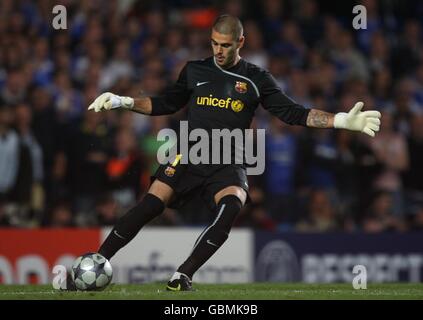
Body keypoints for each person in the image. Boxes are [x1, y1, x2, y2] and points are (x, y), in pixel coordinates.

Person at [68, 15, 381, 291]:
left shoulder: (257, 79)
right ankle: (98, 260)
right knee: (150, 204)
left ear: (240, 42)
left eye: (226, 45)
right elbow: (166, 103)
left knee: (231, 206)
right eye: (214, 43)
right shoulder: (194, 70)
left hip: (228, 161)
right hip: (190, 154)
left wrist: (340, 119)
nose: (218, 50)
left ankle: (182, 276)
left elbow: (292, 113)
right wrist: (123, 101)